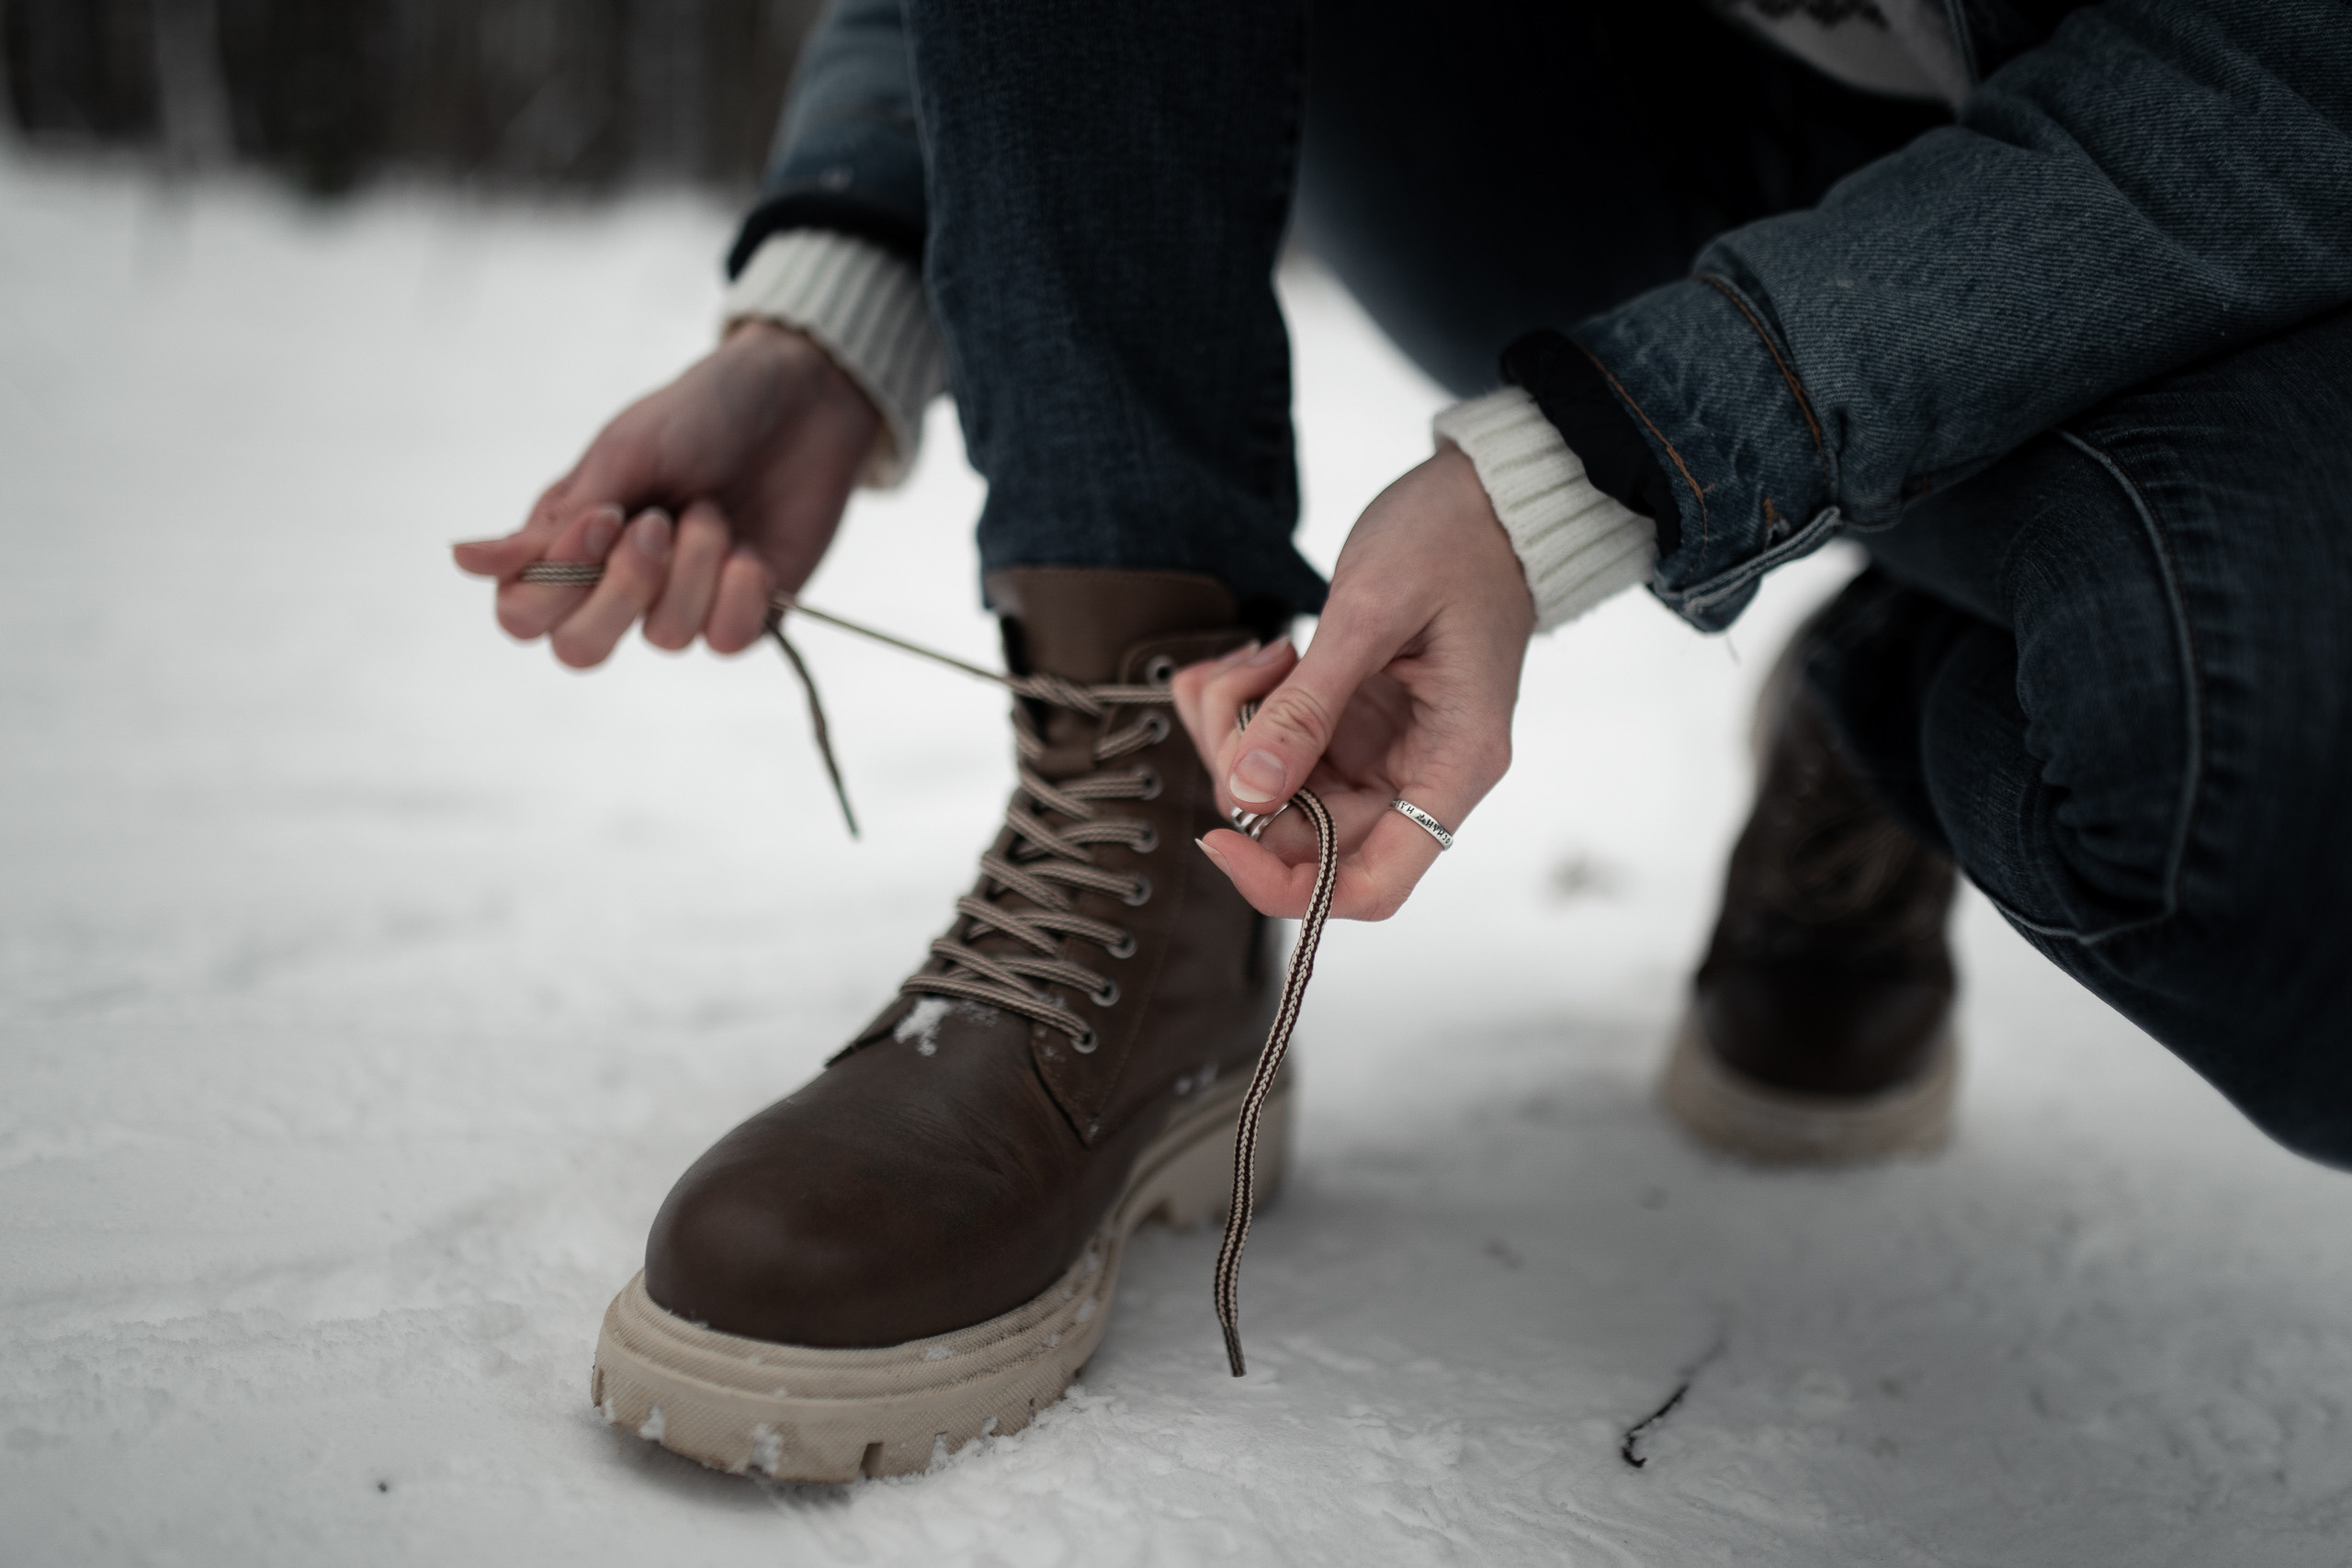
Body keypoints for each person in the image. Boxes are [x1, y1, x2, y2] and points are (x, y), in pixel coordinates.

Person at [454, 0, 2352, 1482]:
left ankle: (1895, 685)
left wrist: (1598, 465)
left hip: (2200, 229)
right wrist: (840, 296)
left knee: (2287, 835)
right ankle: (1150, 849)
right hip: (1564, 135)